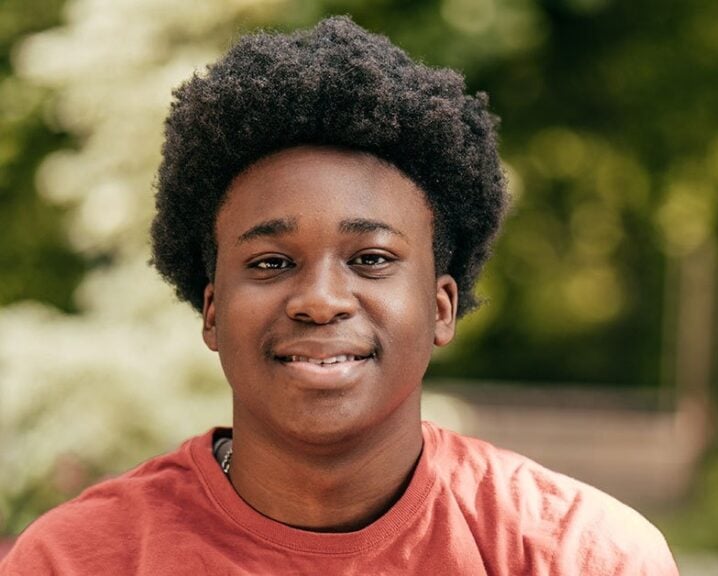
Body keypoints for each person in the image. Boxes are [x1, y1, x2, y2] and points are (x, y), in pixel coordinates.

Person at [0, 16, 678, 575]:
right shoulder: (78, 560)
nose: (321, 299)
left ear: (441, 307)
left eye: (372, 259)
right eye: (269, 261)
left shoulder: (577, 555)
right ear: (211, 311)